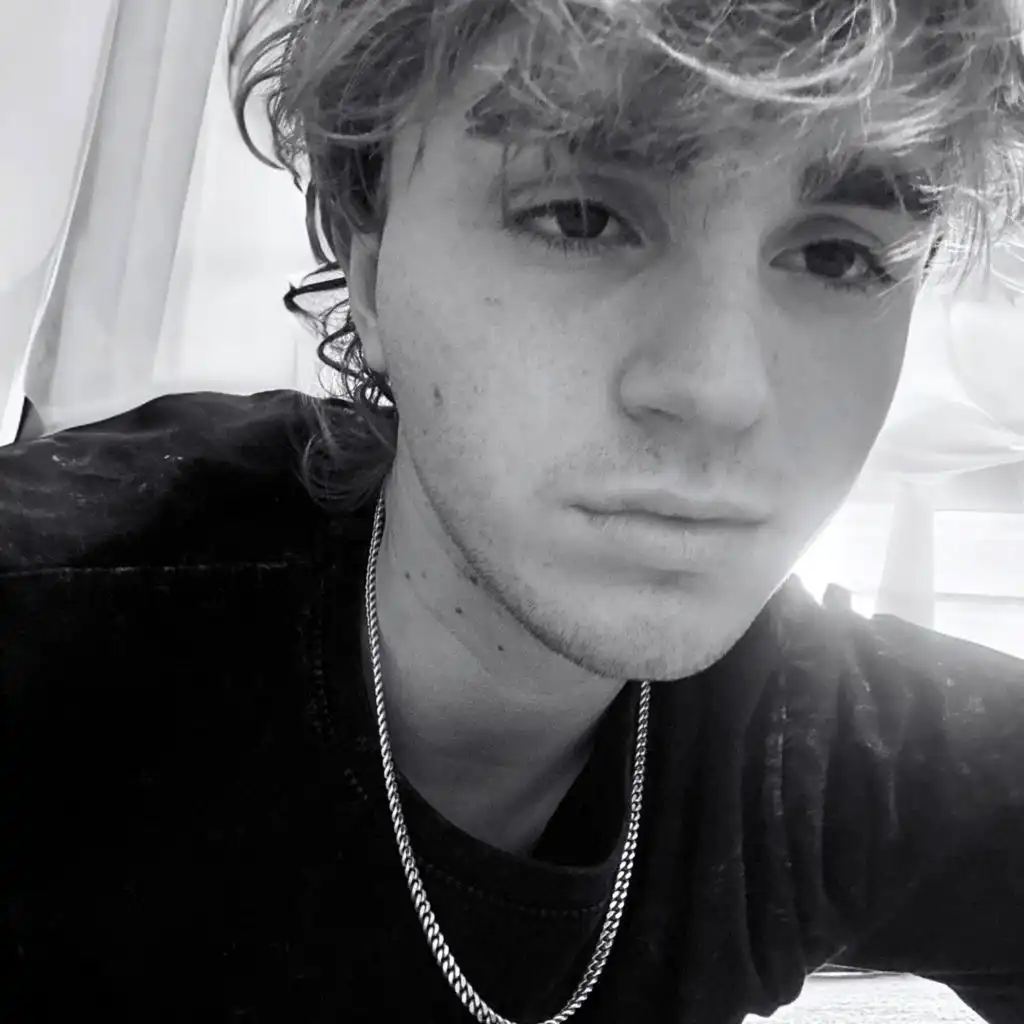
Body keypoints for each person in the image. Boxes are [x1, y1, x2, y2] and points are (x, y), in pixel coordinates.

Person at [2, 1, 1023, 1021]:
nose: (720, 390)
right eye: (579, 217)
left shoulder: (815, 751)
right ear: (369, 272)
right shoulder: (53, 630)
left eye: (836, 256)